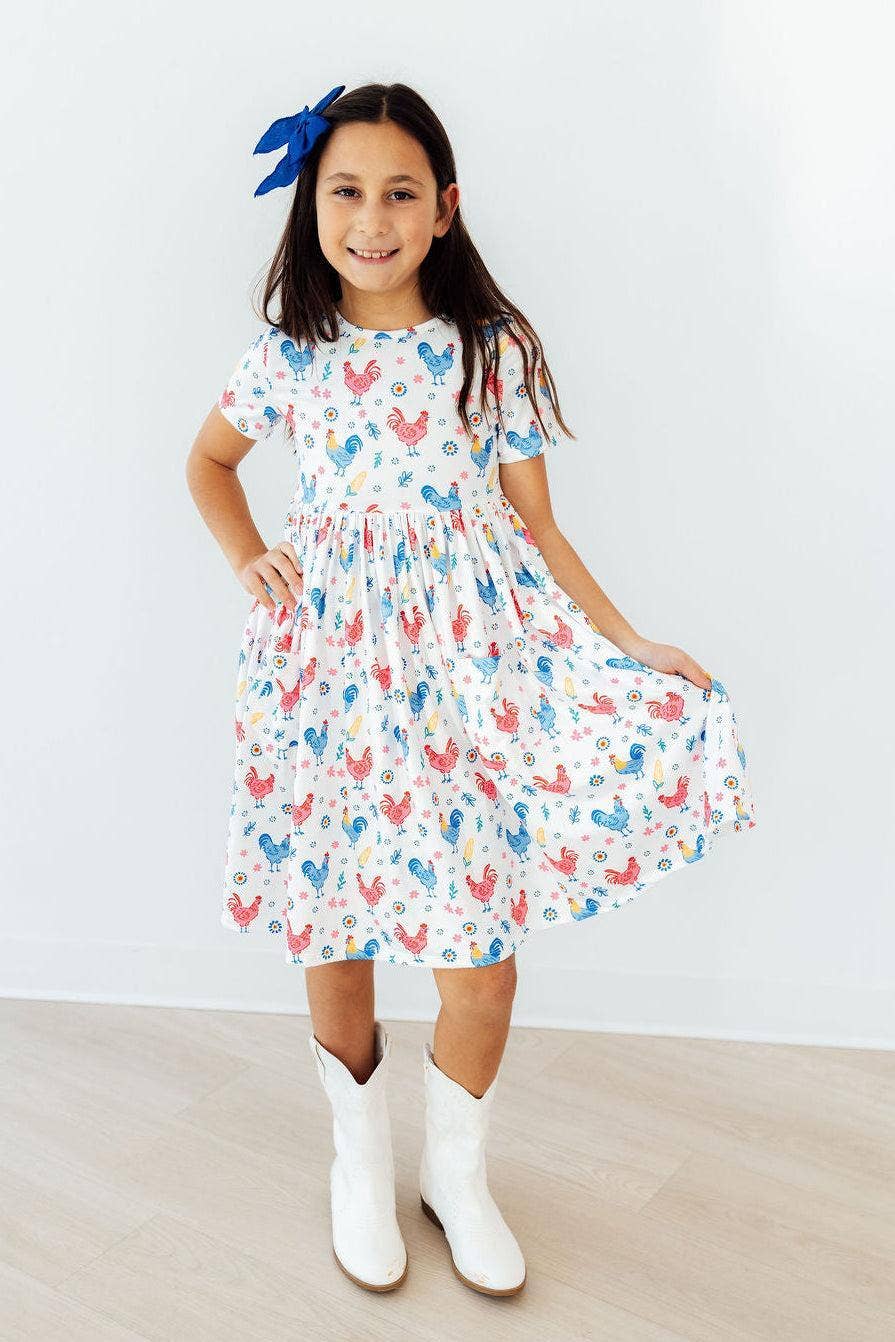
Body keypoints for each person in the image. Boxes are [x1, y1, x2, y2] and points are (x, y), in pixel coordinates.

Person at [186, 81, 757, 1298]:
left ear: (444, 208)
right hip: (330, 676)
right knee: (338, 923)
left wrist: (627, 641)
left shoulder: (490, 347)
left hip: (467, 677)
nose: (371, 219)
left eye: (399, 193)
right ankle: (357, 1165)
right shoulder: (290, 354)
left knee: (479, 952)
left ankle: (457, 1171)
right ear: (310, 203)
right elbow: (210, 462)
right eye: (346, 191)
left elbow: (539, 526)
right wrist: (248, 555)